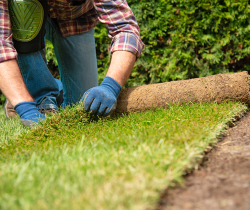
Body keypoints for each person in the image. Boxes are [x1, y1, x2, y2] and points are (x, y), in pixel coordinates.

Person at [0, 0, 144, 126]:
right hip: (24, 17)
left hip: (75, 20)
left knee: (83, 106)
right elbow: (1, 45)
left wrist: (110, 86)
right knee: (20, 6)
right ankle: (40, 94)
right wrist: (25, 106)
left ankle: (47, 88)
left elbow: (125, 29)